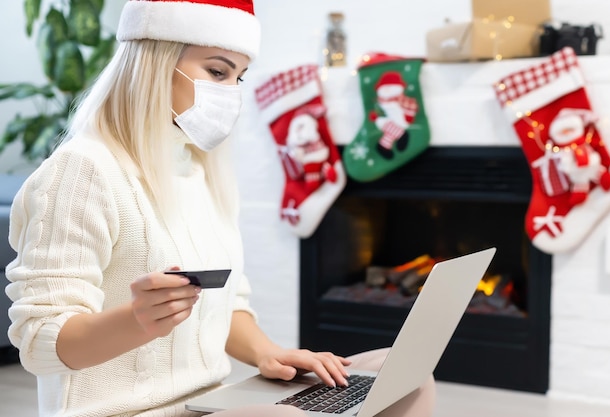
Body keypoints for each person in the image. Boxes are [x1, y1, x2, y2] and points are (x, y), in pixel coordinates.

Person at [4, 1, 436, 416]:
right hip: (125, 412)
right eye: (216, 71)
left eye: (239, 78)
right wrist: (137, 320)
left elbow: (228, 306)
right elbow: (39, 342)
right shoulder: (82, 171)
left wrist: (271, 354)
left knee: (403, 376)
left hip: (207, 403)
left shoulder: (198, 170)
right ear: (155, 63)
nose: (231, 93)